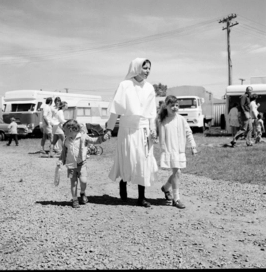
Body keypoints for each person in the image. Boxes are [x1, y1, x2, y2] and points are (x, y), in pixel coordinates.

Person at [105, 58, 158, 208]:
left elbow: (152, 113)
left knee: (143, 162)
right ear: (136, 68)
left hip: (143, 130)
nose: (148, 71)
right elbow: (115, 109)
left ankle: (141, 197)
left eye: (149, 68)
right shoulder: (124, 85)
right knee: (128, 159)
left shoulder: (149, 88)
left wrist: (153, 129)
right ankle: (123, 183)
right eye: (145, 68)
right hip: (126, 130)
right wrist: (109, 128)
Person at [57, 119, 109, 208]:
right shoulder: (66, 140)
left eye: (64, 130)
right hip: (71, 166)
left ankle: (82, 193)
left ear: (70, 130)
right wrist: (60, 160)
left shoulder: (83, 137)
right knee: (73, 183)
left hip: (82, 165)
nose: (63, 132)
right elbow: (64, 152)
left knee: (83, 181)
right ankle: (75, 200)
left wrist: (103, 138)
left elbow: (94, 140)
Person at [156, 95, 197, 209]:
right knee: (177, 173)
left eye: (176, 105)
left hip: (179, 151)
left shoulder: (181, 119)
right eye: (172, 105)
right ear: (166, 106)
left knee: (177, 173)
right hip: (169, 150)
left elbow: (188, 132)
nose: (175, 107)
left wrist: (192, 145)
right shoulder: (162, 120)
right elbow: (157, 135)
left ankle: (165, 188)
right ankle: (176, 199)